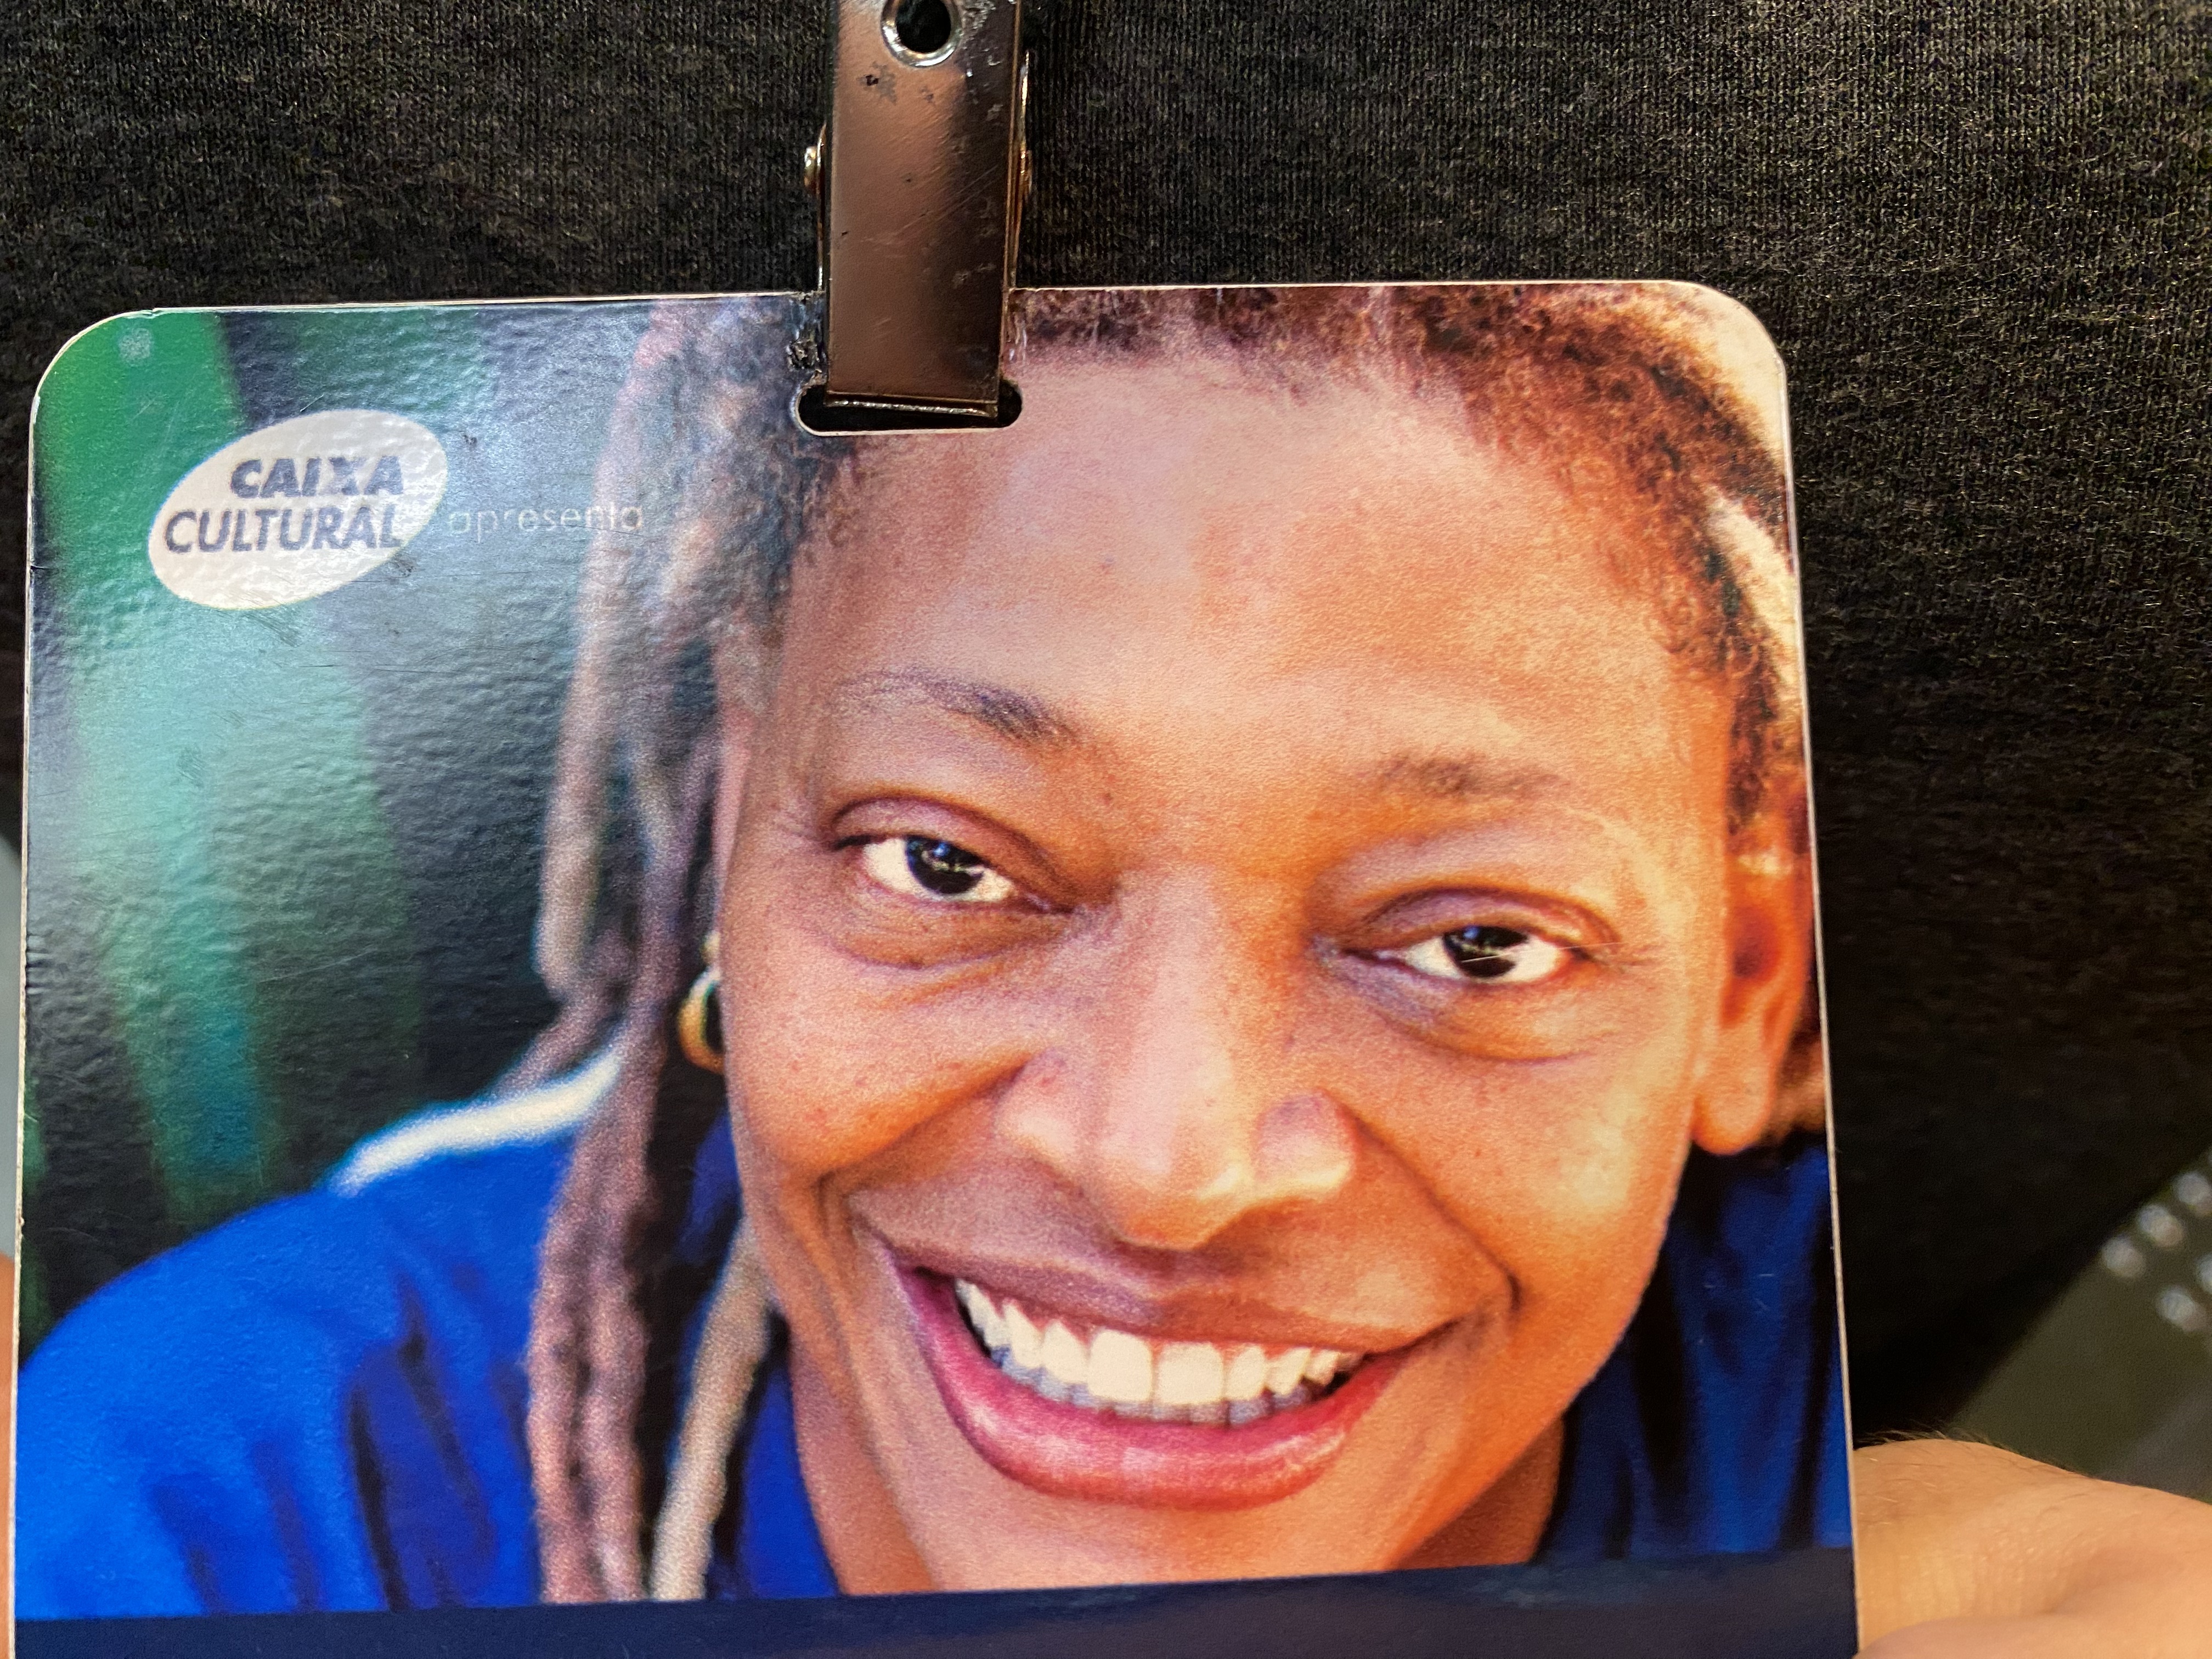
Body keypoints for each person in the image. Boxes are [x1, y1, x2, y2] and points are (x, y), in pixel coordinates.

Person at [16, 284, 2209, 1647]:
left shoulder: (1838, 1461)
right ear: (738, 847)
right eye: (946, 865)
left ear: (1742, 990)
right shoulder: (220, 1512)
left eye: (1473, 941)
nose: (1167, 1170)